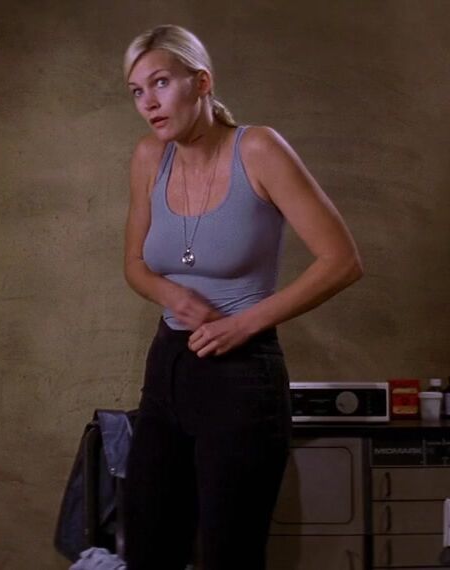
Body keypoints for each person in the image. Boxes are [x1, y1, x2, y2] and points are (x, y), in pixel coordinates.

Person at [120, 24, 362, 569]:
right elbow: (134, 264)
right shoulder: (148, 158)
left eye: (160, 83)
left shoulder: (258, 149)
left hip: (242, 377)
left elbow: (342, 260)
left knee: (230, 555)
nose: (148, 102)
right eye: (136, 91)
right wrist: (169, 293)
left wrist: (242, 324)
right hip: (167, 370)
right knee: (148, 550)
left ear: (202, 82)